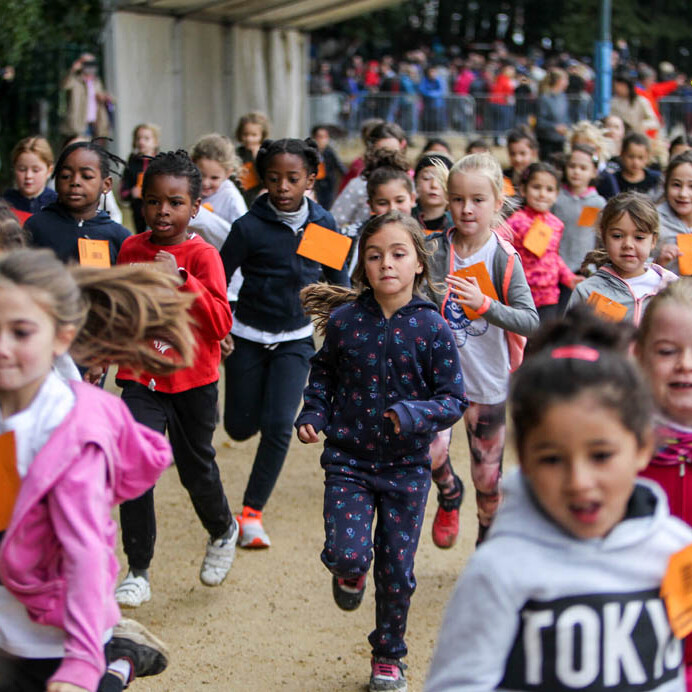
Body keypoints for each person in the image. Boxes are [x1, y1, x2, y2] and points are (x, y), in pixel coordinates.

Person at [425, 307, 692, 692]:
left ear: (642, 447)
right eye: (552, 459)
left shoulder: (677, 551)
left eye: (601, 456)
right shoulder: (498, 572)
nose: (579, 482)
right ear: (523, 458)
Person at [0, 247, 197, 692]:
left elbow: (86, 552)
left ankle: (117, 660)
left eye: (20, 332)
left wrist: (82, 659)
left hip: (55, 638)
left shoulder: (69, 437)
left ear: (61, 339)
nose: (2, 347)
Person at [296, 211, 467, 692]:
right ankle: (349, 573)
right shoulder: (345, 321)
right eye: (374, 256)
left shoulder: (433, 327)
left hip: (407, 469)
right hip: (348, 462)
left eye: (397, 254)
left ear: (419, 262)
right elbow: (323, 375)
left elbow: (453, 399)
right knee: (348, 555)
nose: (386, 264)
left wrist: (414, 415)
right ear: (362, 265)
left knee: (396, 571)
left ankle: (389, 657)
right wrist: (314, 413)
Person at [114, 150, 236, 608]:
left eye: (175, 202)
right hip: (141, 378)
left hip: (193, 383)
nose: (163, 211)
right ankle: (137, 570)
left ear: (195, 207)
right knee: (134, 468)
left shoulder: (203, 256)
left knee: (195, 470)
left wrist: (181, 277)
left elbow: (220, 323)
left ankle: (222, 529)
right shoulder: (130, 249)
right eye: (153, 201)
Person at [220, 138, 350, 549]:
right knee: (239, 428)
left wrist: (347, 332)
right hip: (247, 336)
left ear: (310, 180)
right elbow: (216, 278)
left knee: (279, 426)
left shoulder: (323, 224)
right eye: (273, 178)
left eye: (292, 178)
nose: (282, 187)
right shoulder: (249, 227)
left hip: (296, 338)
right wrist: (219, 327)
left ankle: (251, 514)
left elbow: (338, 282)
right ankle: (257, 408)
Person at [427, 153, 539, 547]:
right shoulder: (433, 251)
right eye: (458, 199)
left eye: (477, 200)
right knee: (429, 453)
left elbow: (530, 321)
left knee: (488, 478)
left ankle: (486, 542)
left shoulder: (503, 258)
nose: (466, 209)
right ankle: (449, 491)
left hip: (488, 381)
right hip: (439, 382)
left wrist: (486, 305)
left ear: (496, 203)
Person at [568, 191, 676, 324]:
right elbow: (570, 336)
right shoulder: (587, 291)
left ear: (653, 240)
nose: (628, 244)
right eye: (617, 236)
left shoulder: (672, 288)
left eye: (639, 237)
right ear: (604, 237)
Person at [25, 140, 130, 266]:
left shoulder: (120, 237)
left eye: (87, 176)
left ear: (106, 185)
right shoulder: (36, 227)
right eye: (66, 176)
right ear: (56, 181)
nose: (75, 181)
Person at [507, 162, 581, 322]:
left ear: (556, 194)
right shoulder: (514, 222)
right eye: (536, 187)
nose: (542, 194)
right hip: (522, 296)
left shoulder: (556, 224)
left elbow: (553, 257)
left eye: (549, 189)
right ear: (524, 189)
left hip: (549, 297)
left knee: (546, 336)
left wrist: (569, 278)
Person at [552, 144, 606, 311]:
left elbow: (599, 237)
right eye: (572, 166)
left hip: (584, 268)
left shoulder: (598, 203)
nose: (576, 172)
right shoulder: (555, 198)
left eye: (583, 168)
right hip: (557, 266)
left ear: (593, 172)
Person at [331, 122, 407, 240]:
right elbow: (334, 221)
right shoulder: (359, 185)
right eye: (382, 151)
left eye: (393, 152)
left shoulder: (408, 183)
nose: (387, 157)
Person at [190, 133, 247, 225]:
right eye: (201, 175)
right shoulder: (186, 188)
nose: (205, 183)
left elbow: (244, 230)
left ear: (228, 174)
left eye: (214, 178)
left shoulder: (231, 198)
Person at [656, 151, 692, 275]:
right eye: (676, 185)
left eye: (691, 186)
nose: (683, 194)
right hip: (666, 287)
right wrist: (658, 262)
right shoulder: (653, 221)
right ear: (666, 186)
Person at [120, 123, 160, 234]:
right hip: (138, 212)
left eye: (146, 138)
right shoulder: (131, 163)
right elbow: (123, 190)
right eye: (138, 138)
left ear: (155, 142)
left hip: (157, 210)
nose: (141, 142)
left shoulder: (160, 163)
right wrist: (131, 192)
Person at [597, 132, 662, 200]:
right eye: (631, 157)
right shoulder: (612, 180)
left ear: (647, 157)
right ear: (622, 154)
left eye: (640, 158)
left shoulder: (655, 180)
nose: (635, 162)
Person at [2, 136, 57, 217]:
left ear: (49, 171)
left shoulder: (56, 204)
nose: (28, 176)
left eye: (35, 170)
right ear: (14, 169)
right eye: (22, 169)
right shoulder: (6, 203)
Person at [60, 53, 112, 138]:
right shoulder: (75, 80)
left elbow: (102, 94)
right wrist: (72, 70)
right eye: (87, 63)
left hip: (95, 124)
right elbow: (64, 85)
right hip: (79, 124)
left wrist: (104, 97)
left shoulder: (96, 81)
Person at [413, 152, 454, 234]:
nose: (434, 185)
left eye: (441, 179)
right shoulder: (405, 219)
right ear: (415, 183)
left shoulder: (457, 223)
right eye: (426, 178)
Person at [235, 112, 270, 206]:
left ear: (262, 135)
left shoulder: (267, 153)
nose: (249, 139)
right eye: (245, 134)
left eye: (254, 135)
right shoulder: (237, 154)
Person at [535, 68, 570, 160]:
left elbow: (565, 117)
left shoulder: (563, 97)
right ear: (558, 81)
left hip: (560, 140)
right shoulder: (544, 98)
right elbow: (540, 122)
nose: (567, 83)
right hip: (547, 141)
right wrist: (555, 127)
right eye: (565, 80)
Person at [610, 72, 659, 137]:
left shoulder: (641, 101)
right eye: (616, 86)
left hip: (638, 136)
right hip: (621, 136)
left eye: (621, 86)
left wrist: (643, 125)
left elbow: (654, 121)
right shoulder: (613, 102)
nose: (618, 89)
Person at [311, 124, 347, 210]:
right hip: (315, 185)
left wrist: (348, 176)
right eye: (320, 137)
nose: (323, 140)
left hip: (328, 185)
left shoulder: (329, 152)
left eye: (325, 137)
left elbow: (338, 165)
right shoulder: (310, 152)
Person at [502, 127, 538, 192]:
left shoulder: (539, 177)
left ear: (534, 153)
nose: (517, 159)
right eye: (512, 154)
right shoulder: (503, 177)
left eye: (522, 153)